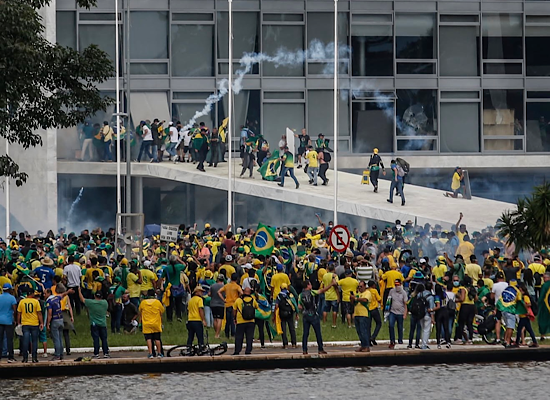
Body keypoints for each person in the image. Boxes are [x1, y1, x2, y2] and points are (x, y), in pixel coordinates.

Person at [298, 279, 336, 355]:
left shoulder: (300, 295)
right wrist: (331, 284)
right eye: (310, 284)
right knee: (318, 333)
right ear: (308, 285)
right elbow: (322, 290)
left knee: (305, 333)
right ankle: (320, 349)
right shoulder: (312, 292)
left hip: (305, 315)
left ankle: (304, 350)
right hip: (313, 315)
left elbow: (299, 306)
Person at [78, 287, 110, 358]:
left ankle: (96, 353)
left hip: (94, 324)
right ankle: (106, 353)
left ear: (94, 296)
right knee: (104, 339)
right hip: (103, 324)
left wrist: (79, 291)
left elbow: (82, 299)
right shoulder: (105, 303)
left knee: (96, 339)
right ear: (101, 296)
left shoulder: (91, 302)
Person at [17, 288, 44, 363]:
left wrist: (18, 322)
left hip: (25, 323)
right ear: (32, 294)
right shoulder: (36, 302)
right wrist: (41, 323)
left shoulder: (22, 302)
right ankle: (34, 357)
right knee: (34, 341)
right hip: (34, 323)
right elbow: (39, 313)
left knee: (25, 341)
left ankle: (25, 358)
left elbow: (19, 313)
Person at [45, 286, 71, 361]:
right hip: (60, 319)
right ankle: (61, 354)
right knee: (60, 338)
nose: (44, 295)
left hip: (55, 320)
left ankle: (57, 355)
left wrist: (47, 323)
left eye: (45, 293)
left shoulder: (49, 301)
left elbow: (50, 314)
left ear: (49, 293)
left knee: (56, 339)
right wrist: (68, 291)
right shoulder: (56, 298)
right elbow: (63, 295)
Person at [139, 289, 165, 358]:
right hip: (156, 323)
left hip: (146, 323)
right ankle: (159, 353)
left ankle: (151, 353)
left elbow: (140, 313)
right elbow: (161, 312)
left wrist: (140, 323)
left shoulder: (143, 303)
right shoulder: (157, 302)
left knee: (148, 339)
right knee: (157, 338)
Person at [233, 287, 258, 355]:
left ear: (243, 292)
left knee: (239, 337)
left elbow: (234, 310)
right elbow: (257, 307)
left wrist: (234, 318)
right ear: (250, 293)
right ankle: (248, 350)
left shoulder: (238, 300)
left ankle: (237, 350)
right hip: (251, 321)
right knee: (249, 337)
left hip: (240, 321)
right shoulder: (253, 300)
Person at [514, 283, 538, 348]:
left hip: (524, 315)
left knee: (519, 329)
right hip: (523, 315)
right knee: (529, 329)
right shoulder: (521, 297)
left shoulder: (525, 297)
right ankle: (535, 341)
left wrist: (523, 305)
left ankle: (517, 342)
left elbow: (529, 304)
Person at [273, 283, 297, 349]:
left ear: (280, 288)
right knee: (292, 328)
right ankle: (294, 343)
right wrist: (296, 313)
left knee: (283, 329)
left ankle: (285, 344)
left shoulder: (279, 296)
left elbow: (276, 305)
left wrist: (275, 314)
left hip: (282, 314)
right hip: (290, 314)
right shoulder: (290, 295)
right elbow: (294, 304)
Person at [218, 273, 242, 338]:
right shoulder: (237, 286)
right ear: (237, 279)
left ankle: (227, 332)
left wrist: (223, 299)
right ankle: (233, 333)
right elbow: (241, 293)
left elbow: (219, 292)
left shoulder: (227, 286)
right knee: (233, 319)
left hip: (227, 304)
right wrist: (238, 297)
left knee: (228, 320)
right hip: (234, 304)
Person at [350, 280, 372, 352]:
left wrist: (356, 298)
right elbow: (353, 303)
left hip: (364, 314)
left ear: (365, 286)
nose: (360, 288)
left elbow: (365, 300)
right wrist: (352, 298)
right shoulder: (358, 293)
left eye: (361, 286)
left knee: (364, 331)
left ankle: (366, 346)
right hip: (357, 314)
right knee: (359, 331)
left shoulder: (367, 293)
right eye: (359, 287)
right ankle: (363, 345)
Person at [455, 276, 477, 345]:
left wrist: (456, 300)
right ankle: (470, 339)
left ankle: (459, 338)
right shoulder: (472, 289)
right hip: (472, 306)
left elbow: (462, 299)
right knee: (469, 323)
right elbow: (476, 298)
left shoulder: (463, 289)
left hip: (465, 306)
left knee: (461, 323)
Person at [186, 286, 207, 353]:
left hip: (190, 320)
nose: (202, 293)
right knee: (200, 336)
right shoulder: (199, 299)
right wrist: (203, 320)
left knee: (190, 336)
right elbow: (200, 310)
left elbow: (188, 310)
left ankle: (188, 348)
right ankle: (201, 348)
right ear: (196, 292)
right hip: (197, 320)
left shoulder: (190, 300)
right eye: (201, 291)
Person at [388, 280, 408, 349]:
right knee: (391, 325)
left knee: (400, 327)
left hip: (401, 312)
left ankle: (400, 340)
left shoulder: (404, 293)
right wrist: (387, 312)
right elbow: (388, 301)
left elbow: (405, 304)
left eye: (398, 285)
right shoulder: (391, 291)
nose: (397, 286)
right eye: (395, 285)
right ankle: (392, 341)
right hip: (392, 312)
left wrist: (405, 313)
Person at [0, 283, 17, 362]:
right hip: (9, 321)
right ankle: (10, 356)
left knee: (0, 339)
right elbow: (15, 310)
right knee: (9, 339)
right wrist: (16, 320)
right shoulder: (12, 298)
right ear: (9, 289)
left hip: (0, 320)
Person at [321, 264, 340, 328]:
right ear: (334, 269)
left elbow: (323, 284)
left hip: (327, 295)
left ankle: (324, 323)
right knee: (334, 310)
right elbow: (336, 285)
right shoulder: (335, 276)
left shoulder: (325, 275)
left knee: (325, 310)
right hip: (334, 295)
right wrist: (338, 296)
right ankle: (334, 324)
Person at [366, 280, 382, 345]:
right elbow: (379, 299)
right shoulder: (374, 291)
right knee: (379, 323)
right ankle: (373, 336)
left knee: (368, 326)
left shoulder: (366, 291)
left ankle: (368, 340)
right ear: (373, 285)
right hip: (374, 309)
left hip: (368, 309)